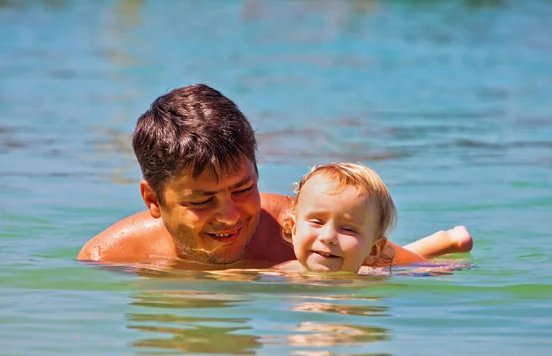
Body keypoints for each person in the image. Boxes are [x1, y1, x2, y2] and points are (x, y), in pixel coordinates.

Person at [77, 84, 472, 268]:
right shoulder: (108, 258)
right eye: (201, 200)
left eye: (244, 189)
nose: (230, 215)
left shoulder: (292, 230)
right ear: (152, 201)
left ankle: (441, 241)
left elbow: (410, 268)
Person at [276, 163, 397, 273]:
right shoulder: (276, 276)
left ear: (373, 250)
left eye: (348, 229)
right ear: (294, 230)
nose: (328, 237)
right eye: (316, 222)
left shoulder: (371, 290)